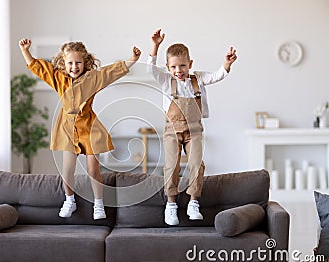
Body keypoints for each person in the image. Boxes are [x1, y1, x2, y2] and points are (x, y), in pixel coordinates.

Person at [19, 38, 141, 220]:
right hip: (67, 129)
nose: (74, 67)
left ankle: (98, 204)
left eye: (78, 63)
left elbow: (111, 72)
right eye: (70, 63)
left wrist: (133, 58)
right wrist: (25, 51)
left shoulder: (93, 79)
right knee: (67, 169)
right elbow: (39, 68)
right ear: (63, 63)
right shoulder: (59, 79)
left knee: (93, 169)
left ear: (85, 63)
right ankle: (69, 200)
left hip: (89, 128)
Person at [147, 29, 237, 226]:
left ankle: (193, 202)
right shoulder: (165, 81)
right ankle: (171, 204)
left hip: (194, 131)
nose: (178, 71)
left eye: (182, 66)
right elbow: (150, 70)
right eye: (173, 67)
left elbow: (217, 76)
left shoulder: (198, 79)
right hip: (172, 130)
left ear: (190, 65)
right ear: (168, 67)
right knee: (172, 166)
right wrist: (155, 46)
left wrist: (226, 65)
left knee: (197, 164)